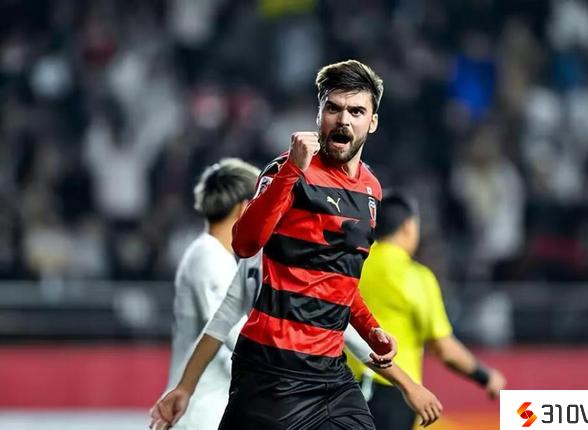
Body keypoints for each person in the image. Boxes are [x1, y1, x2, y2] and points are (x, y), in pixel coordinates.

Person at [152, 60, 401, 430]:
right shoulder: (286, 170)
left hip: (330, 372)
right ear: (319, 113)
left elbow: (341, 282)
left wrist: (371, 329)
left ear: (373, 122)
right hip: (273, 369)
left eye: (356, 111)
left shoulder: (370, 190)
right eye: (333, 108)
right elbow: (244, 243)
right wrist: (292, 170)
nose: (343, 120)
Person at [150, 251, 443, 430]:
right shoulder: (316, 261)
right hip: (307, 385)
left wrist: (185, 387)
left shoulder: (256, 257)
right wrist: (409, 385)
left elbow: (221, 322)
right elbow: (346, 334)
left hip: (259, 386)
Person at [347, 191, 508, 430]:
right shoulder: (417, 277)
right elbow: (444, 348)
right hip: (395, 391)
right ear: (409, 226)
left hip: (346, 389)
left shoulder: (354, 264)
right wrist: (485, 376)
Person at [165, 158, 260, 430]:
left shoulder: (217, 256)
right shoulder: (209, 256)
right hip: (200, 412)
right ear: (245, 208)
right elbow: (227, 329)